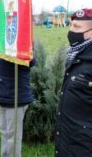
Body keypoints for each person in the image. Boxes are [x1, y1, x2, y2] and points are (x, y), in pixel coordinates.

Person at [55, 8, 92, 156]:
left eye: (77, 27)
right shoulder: (75, 55)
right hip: (66, 141)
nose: (71, 31)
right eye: (71, 25)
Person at [0, 49, 35, 157]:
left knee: (13, 138)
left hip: (15, 98)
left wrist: (17, 51)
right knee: (5, 133)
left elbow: (31, 61)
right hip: (1, 96)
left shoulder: (21, 42)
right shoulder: (2, 41)